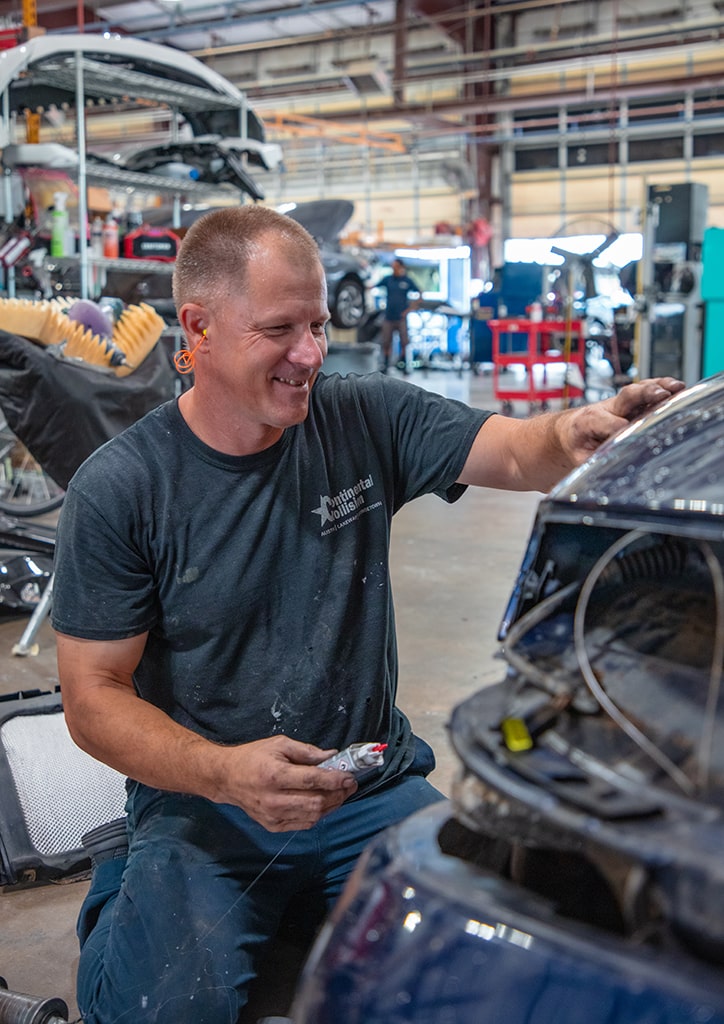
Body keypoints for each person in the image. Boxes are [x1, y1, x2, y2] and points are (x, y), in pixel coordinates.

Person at [51, 204, 684, 1024]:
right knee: (161, 1007)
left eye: (317, 324)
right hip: (206, 805)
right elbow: (92, 695)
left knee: (499, 973)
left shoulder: (362, 418)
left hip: (367, 787)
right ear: (197, 328)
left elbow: (521, 449)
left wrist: (579, 432)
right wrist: (222, 772)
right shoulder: (123, 489)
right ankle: (127, 879)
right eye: (280, 329)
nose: (310, 353)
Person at [377, 256, 419, 372]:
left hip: (401, 317)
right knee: (386, 341)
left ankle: (404, 364)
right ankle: (386, 364)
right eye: (392, 267)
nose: (393, 269)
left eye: (395, 267)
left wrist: (410, 309)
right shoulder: (388, 280)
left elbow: (420, 293)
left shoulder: (407, 281)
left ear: (401, 267)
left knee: (404, 341)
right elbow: (373, 286)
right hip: (388, 316)